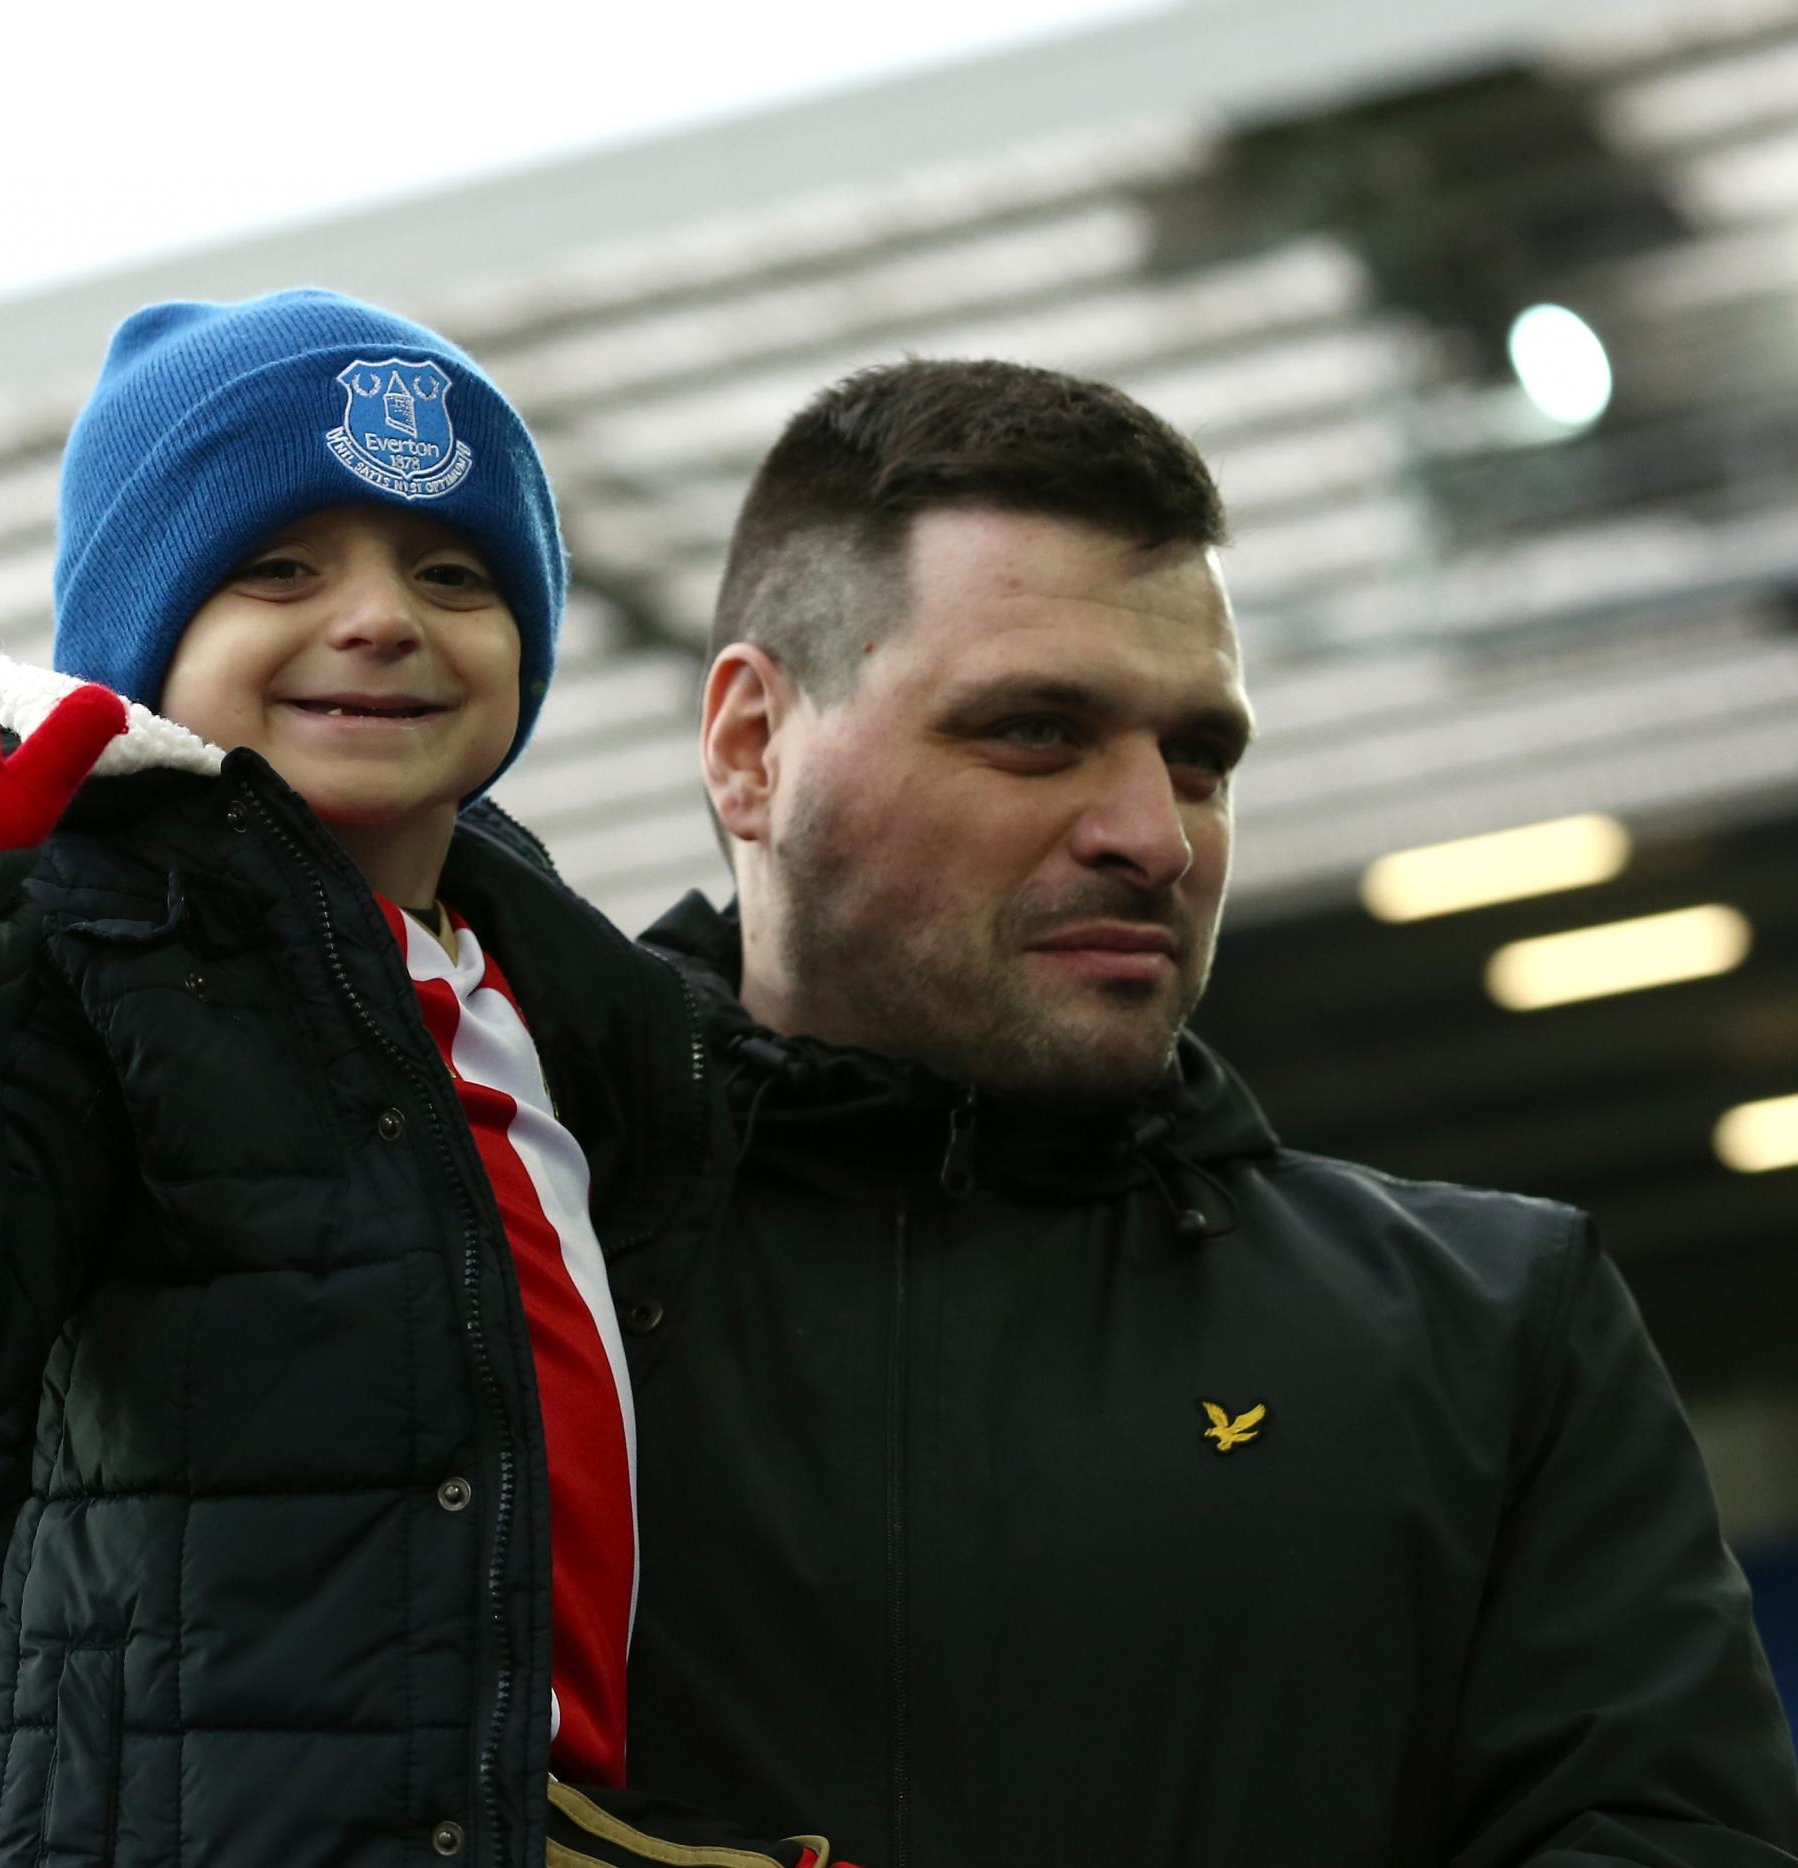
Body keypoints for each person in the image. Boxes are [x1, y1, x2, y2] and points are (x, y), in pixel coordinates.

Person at [0, 290, 852, 1866]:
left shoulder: (580, 1022)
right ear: (141, 634)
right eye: (278, 569)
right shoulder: (61, 945)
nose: (383, 617)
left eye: (454, 572)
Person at [610, 357, 1798, 1866]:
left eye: (1200, 755)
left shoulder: (1487, 1332)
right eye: (1036, 730)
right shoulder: (494, 1285)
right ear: (750, 748)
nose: (1155, 839)